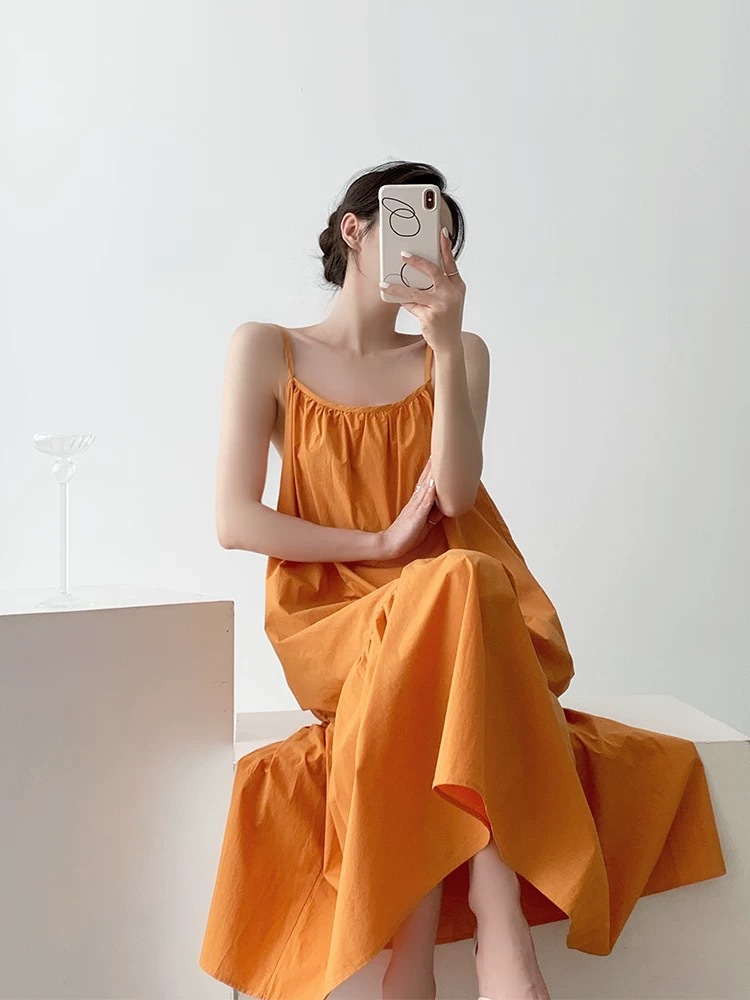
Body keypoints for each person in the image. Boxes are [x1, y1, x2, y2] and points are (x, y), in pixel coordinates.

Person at [199, 161, 726, 1000]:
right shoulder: (268, 348)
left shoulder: (462, 353)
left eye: (444, 237)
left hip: (465, 614)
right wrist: (375, 541)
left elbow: (453, 495)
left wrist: (444, 342)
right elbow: (235, 518)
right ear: (354, 229)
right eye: (413, 224)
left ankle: (417, 951)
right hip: (336, 617)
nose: (429, 247)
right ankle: (496, 912)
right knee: (456, 579)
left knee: (461, 576)